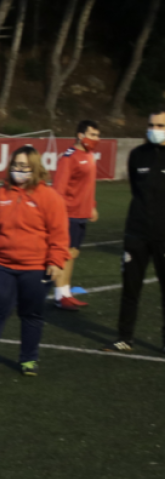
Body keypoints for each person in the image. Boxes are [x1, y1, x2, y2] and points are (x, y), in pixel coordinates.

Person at [0, 145, 69, 376]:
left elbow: (59, 233)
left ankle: (28, 360)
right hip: (3, 266)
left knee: (31, 314)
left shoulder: (49, 197)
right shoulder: (0, 195)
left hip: (36, 269)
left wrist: (56, 261)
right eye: (17, 165)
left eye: (25, 167)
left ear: (36, 168)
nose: (20, 170)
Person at [104, 107, 165, 352]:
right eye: (151, 125)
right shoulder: (138, 155)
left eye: (160, 126)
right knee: (130, 288)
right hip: (136, 233)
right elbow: (136, 191)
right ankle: (124, 338)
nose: (154, 130)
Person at [51, 120, 101, 311]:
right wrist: (59, 216)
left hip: (81, 213)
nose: (96, 139)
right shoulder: (69, 157)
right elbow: (58, 190)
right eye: (93, 134)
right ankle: (60, 296)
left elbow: (88, 185)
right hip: (69, 214)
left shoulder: (88, 155)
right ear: (81, 135)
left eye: (97, 135)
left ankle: (65, 293)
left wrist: (92, 206)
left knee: (73, 254)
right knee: (66, 254)